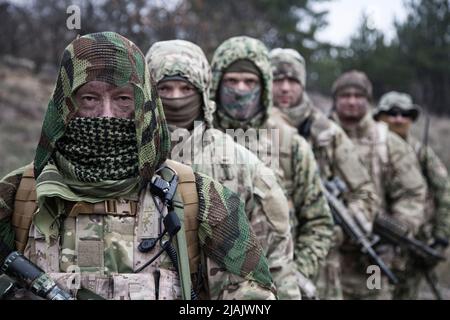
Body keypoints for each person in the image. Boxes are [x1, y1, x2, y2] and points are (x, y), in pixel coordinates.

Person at [0, 32, 276, 300]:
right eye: (89, 99)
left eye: (122, 99)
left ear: (144, 106)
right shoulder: (19, 195)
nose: (106, 116)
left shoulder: (200, 198)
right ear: (65, 106)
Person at [145, 39, 300, 299]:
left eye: (185, 87)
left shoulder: (243, 165)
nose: (175, 98)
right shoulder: (125, 160)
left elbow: (276, 261)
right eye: (164, 88)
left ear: (203, 91)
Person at [209, 36, 334, 298]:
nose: (241, 89)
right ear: (216, 84)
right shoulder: (197, 140)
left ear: (263, 86)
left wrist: (294, 272)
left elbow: (319, 222)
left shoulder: (291, 145)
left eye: (250, 82)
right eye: (232, 81)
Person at [269, 48, 379, 299]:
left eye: (293, 81)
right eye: (278, 80)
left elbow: (365, 193)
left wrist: (335, 229)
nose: (285, 88)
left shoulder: (326, 132)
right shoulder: (249, 128)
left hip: (320, 266)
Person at [331, 70, 427, 299]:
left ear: (368, 101)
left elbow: (413, 193)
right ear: (335, 100)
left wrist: (394, 233)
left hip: (372, 258)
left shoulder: (388, 143)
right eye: (345, 95)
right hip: (329, 257)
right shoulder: (318, 137)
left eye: (358, 95)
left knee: (374, 293)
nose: (352, 101)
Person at [374, 91, 450, 299]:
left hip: (413, 247)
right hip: (376, 246)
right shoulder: (368, 150)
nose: (398, 119)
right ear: (379, 116)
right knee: (372, 291)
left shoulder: (422, 154)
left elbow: (444, 193)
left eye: (405, 114)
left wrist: (441, 237)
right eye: (392, 113)